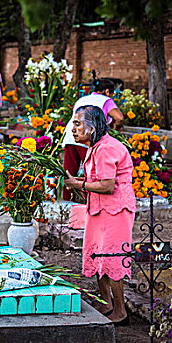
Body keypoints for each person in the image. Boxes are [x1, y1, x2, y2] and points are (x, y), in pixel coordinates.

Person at [64, 106, 135, 326]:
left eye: (78, 124)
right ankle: (106, 303)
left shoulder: (106, 148)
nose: (73, 129)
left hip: (115, 210)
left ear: (92, 126)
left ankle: (121, 310)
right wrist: (80, 184)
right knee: (98, 254)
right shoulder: (95, 147)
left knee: (112, 257)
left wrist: (79, 184)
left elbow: (106, 185)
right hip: (99, 208)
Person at [62, 79, 124, 201]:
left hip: (71, 135)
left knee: (69, 171)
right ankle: (91, 200)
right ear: (107, 91)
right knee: (92, 173)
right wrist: (116, 127)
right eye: (111, 93)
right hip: (87, 137)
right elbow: (119, 117)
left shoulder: (82, 99)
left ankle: (65, 200)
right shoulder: (106, 100)